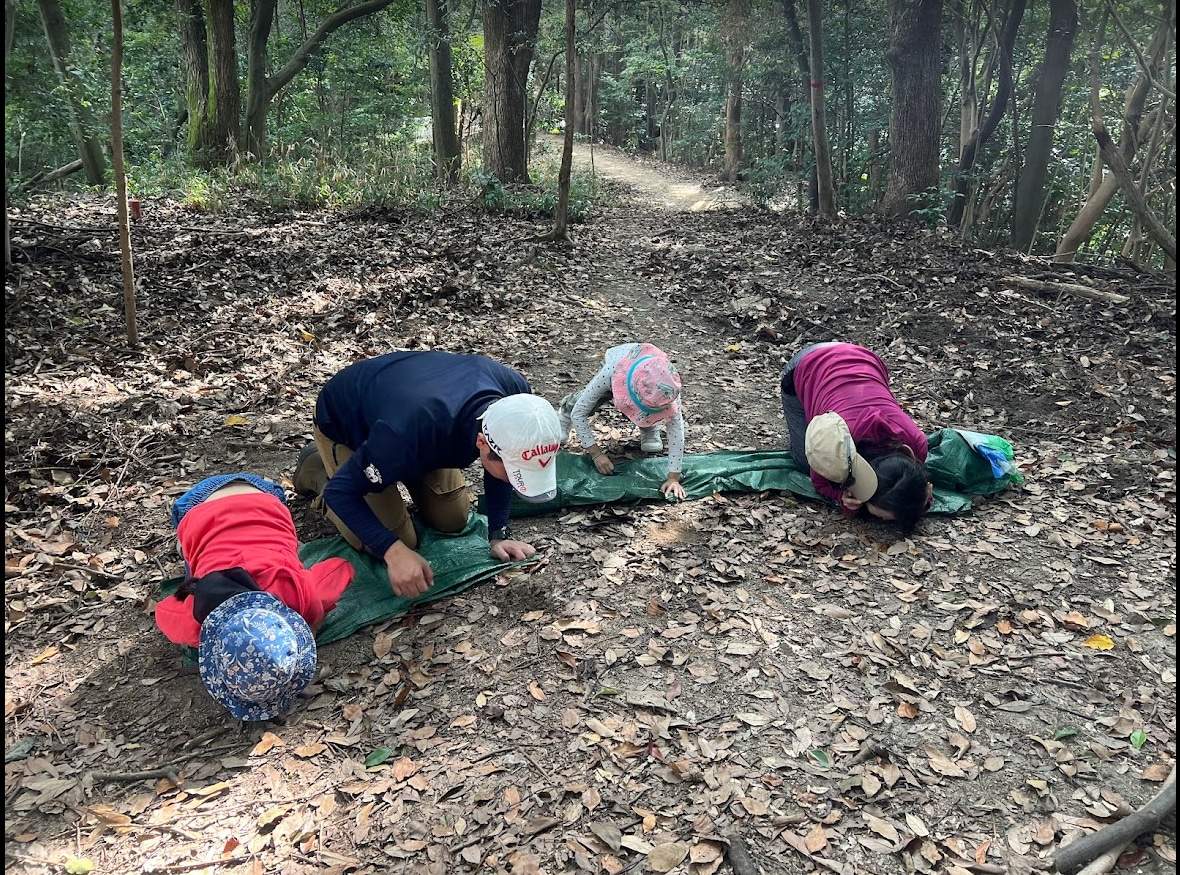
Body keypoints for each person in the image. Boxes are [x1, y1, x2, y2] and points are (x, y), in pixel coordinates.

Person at [294, 351, 562, 599]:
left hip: (417, 420)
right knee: (400, 539)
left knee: (453, 519)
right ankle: (316, 469)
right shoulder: (404, 434)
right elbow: (341, 493)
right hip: (348, 423)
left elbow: (503, 454)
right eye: (513, 472)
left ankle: (402, 470)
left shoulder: (521, 404)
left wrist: (499, 532)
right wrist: (392, 550)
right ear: (481, 442)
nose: (515, 481)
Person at [155, 473, 355, 720]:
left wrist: (311, 621)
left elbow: (339, 569)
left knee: (201, 560)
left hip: (261, 498)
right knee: (196, 563)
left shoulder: (299, 595)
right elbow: (165, 610)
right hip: (206, 505)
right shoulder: (197, 618)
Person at [780, 342, 932, 531]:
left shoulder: (916, 445)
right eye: (885, 517)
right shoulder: (836, 443)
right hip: (806, 364)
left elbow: (912, 490)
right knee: (805, 460)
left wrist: (923, 497)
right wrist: (841, 496)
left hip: (866, 358)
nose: (884, 523)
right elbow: (819, 480)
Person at [557, 343, 687, 500]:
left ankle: (648, 427)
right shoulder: (610, 372)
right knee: (585, 402)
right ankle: (565, 412)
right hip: (618, 365)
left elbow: (676, 429)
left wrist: (673, 477)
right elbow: (579, 413)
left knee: (647, 407)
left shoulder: (669, 387)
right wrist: (596, 454)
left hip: (644, 370)